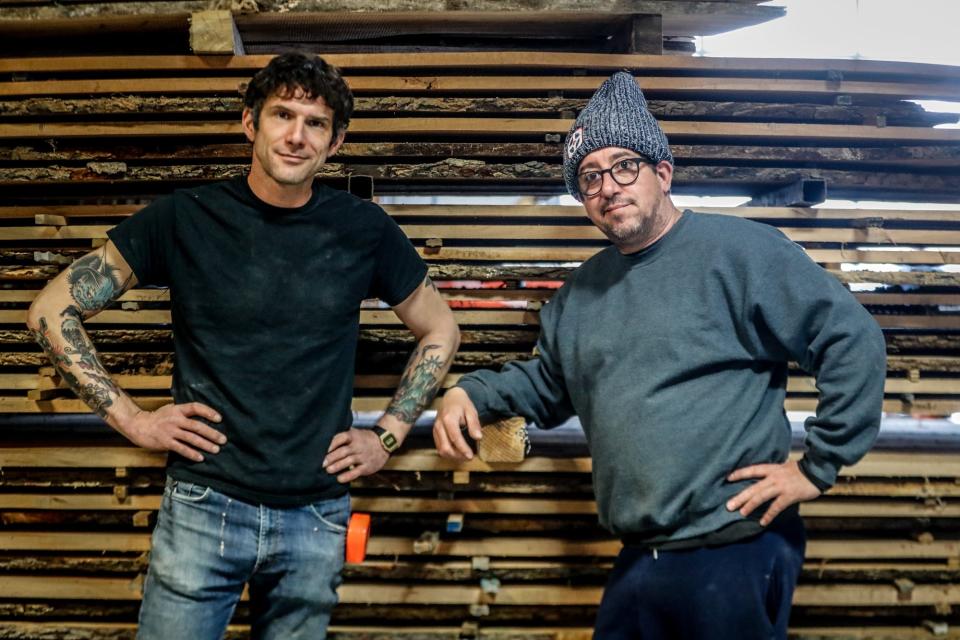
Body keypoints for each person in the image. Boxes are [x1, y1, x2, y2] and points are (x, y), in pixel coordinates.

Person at [433, 71, 885, 640]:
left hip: (734, 544)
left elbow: (850, 338)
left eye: (625, 166)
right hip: (642, 554)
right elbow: (550, 385)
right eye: (590, 177)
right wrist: (468, 391)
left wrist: (817, 468)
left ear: (662, 173)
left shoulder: (739, 253)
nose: (609, 186)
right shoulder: (582, 293)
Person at [27, 52, 459, 640]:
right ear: (249, 122)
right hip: (205, 504)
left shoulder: (364, 229)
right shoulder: (186, 218)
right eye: (283, 115)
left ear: (334, 144)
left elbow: (440, 329)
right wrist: (134, 421)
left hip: (317, 514)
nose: (297, 136)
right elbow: (52, 308)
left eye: (316, 123)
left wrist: (387, 433)